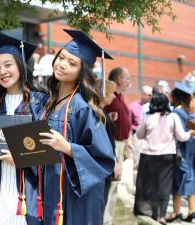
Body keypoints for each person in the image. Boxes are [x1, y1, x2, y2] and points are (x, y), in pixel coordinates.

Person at [38, 29, 115, 225]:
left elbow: (103, 159)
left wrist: (68, 147)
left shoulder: (83, 108)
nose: (62, 65)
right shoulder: (50, 103)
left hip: (76, 193)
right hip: (51, 187)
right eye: (61, 57)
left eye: (72, 63)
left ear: (82, 71)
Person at [0, 33, 48, 225]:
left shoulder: (39, 101)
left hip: (26, 186)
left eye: (8, 65)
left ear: (20, 65)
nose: (2, 72)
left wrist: (20, 157)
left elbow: (47, 151)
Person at [134, 92, 195, 225]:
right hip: (167, 156)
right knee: (163, 186)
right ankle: (161, 215)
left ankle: (145, 210)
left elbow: (139, 135)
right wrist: (190, 132)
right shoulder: (172, 117)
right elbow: (182, 137)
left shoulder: (147, 117)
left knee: (147, 184)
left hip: (148, 155)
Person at [103, 66, 133, 225]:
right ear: (120, 79)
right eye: (127, 78)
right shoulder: (109, 97)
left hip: (121, 144)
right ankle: (103, 220)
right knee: (109, 184)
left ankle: (108, 220)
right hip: (111, 144)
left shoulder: (120, 97)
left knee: (115, 185)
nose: (129, 82)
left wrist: (127, 142)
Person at [166, 82, 195, 223]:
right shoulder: (188, 113)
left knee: (177, 180)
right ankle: (191, 210)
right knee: (190, 178)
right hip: (190, 149)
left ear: (176, 97)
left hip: (181, 149)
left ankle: (176, 211)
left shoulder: (176, 112)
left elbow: (177, 133)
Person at [94, 79, 119, 211]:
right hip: (104, 165)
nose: (114, 96)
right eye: (111, 93)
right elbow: (104, 143)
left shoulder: (101, 112)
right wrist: (113, 162)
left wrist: (108, 117)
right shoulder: (96, 113)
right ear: (103, 93)